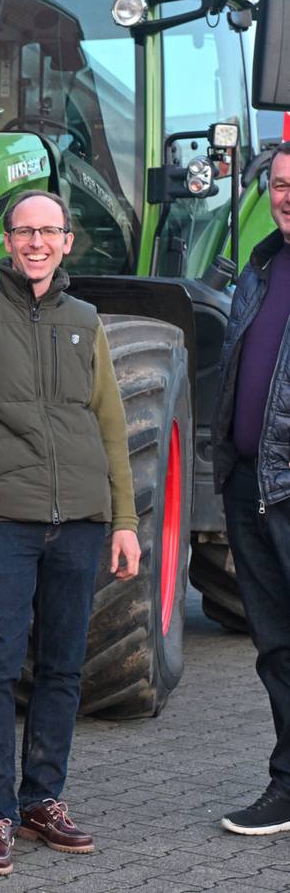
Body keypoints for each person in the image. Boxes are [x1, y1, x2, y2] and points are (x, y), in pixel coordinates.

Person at [0, 189, 140, 877]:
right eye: (24, 231)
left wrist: (124, 520)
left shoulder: (85, 321)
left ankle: (42, 800)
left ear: (68, 242)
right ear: (5, 241)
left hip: (80, 523)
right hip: (1, 521)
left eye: (49, 231)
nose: (36, 242)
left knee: (64, 670)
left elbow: (111, 428)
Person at [212, 139, 290, 836]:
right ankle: (287, 785)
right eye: (282, 184)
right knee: (276, 649)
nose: (288, 195)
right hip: (252, 486)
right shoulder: (260, 266)